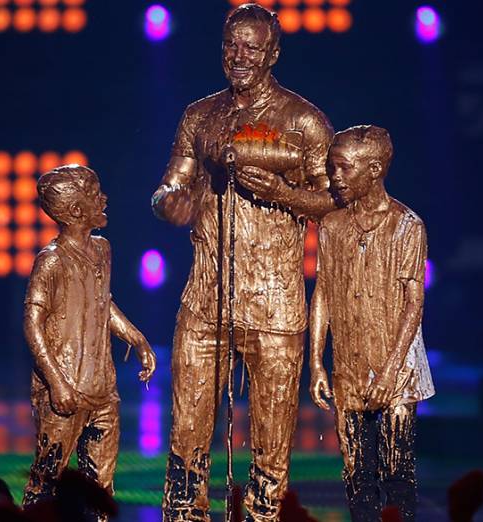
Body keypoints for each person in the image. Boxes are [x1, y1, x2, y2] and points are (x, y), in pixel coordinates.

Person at [151, 4, 336, 521]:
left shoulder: (303, 121)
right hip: (206, 296)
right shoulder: (199, 115)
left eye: (252, 48)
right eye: (232, 46)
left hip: (275, 303)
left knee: (272, 440)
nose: (239, 57)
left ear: (273, 53)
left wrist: (283, 193)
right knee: (188, 426)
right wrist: (169, 202)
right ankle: (185, 513)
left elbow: (334, 200)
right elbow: (172, 182)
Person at [309, 126, 435, 522]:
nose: (336, 178)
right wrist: (316, 361)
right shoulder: (332, 226)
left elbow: (414, 302)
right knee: (357, 476)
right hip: (348, 366)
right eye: (333, 168)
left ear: (374, 169)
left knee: (397, 471)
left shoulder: (407, 226)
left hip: (397, 369)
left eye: (345, 168)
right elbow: (323, 294)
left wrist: (391, 370)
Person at [23, 164, 156, 506]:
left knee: (99, 490)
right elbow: (32, 323)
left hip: (102, 391)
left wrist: (136, 338)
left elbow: (102, 305)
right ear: (77, 210)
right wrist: (56, 381)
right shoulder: (50, 261)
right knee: (47, 482)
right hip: (66, 391)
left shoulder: (103, 250)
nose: (104, 199)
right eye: (96, 195)